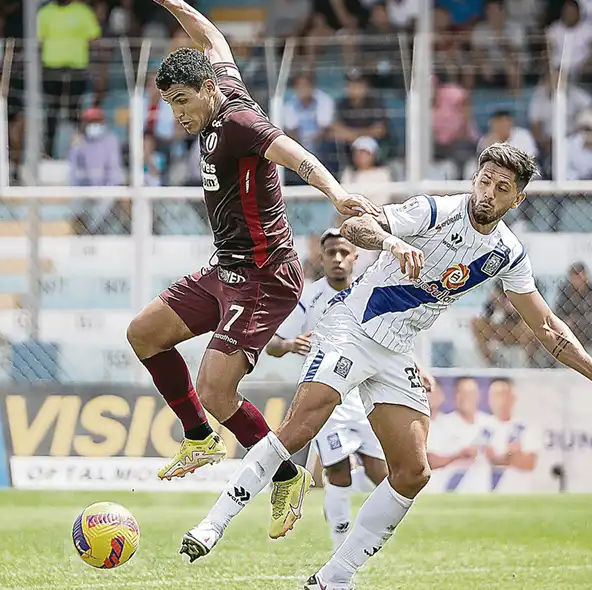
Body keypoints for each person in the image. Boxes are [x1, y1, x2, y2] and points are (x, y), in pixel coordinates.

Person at [179, 142, 592, 588]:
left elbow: (546, 325)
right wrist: (391, 241)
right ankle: (213, 523)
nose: (488, 193)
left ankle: (333, 578)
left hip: (397, 349)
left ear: (517, 199)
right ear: (475, 179)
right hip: (353, 326)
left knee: (414, 472)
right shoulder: (436, 211)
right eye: (485, 181)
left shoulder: (508, 253)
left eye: (502, 188)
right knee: (301, 427)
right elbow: (355, 226)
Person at [127, 0, 377, 494]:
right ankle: (199, 438)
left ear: (208, 89)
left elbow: (294, 154)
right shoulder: (223, 84)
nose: (178, 114)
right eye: (170, 103)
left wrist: (337, 194)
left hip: (265, 277)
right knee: (144, 334)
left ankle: (285, 477)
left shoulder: (240, 122)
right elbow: (212, 38)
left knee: (215, 390)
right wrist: (173, 3)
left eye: (183, 100)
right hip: (227, 269)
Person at [266, 228, 435, 551]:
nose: (338, 259)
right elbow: (272, 344)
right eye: (331, 253)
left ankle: (346, 517)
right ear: (321, 258)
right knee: (339, 471)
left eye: (344, 252)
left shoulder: (368, 291)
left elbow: (390, 337)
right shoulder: (309, 297)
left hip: (366, 395)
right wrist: (288, 345)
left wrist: (417, 367)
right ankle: (340, 545)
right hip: (329, 399)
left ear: (356, 258)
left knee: (381, 473)